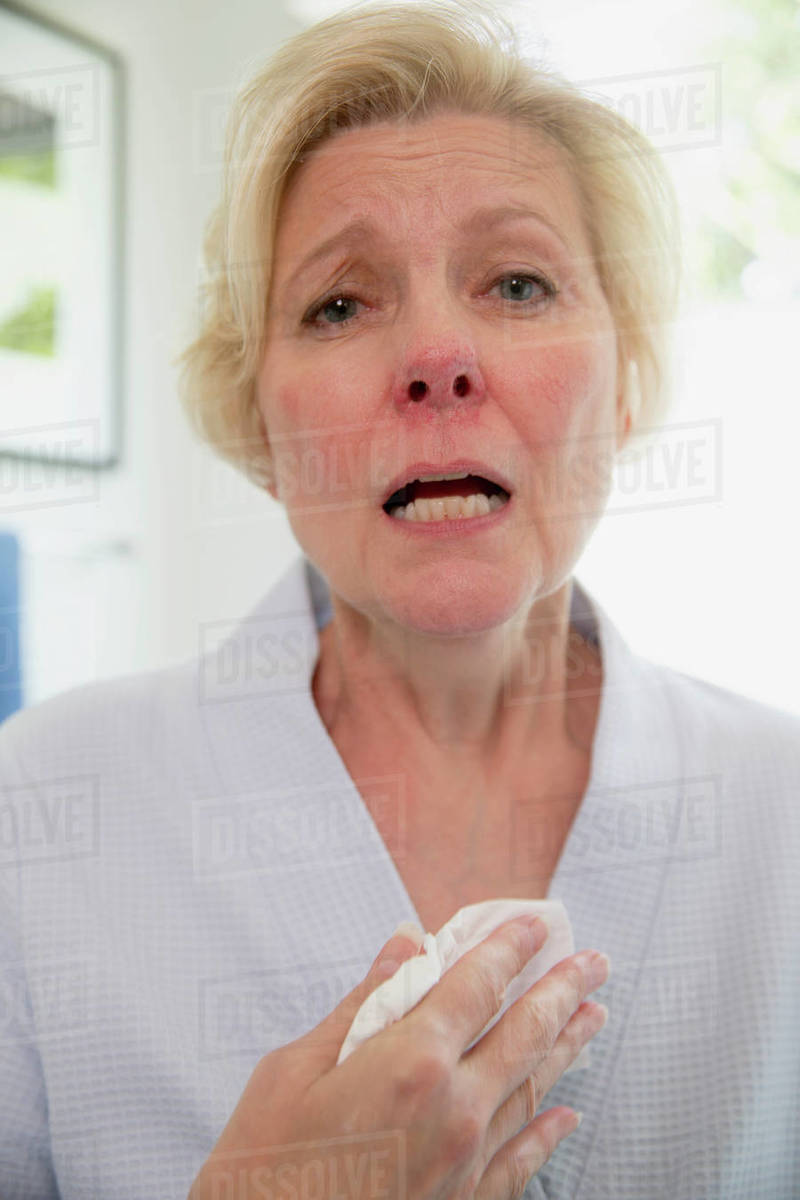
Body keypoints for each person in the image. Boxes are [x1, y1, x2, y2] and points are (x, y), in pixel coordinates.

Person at [1, 1, 798, 1197]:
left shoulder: (776, 811)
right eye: (339, 302)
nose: (437, 353)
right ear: (257, 422)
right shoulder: (41, 807)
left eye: (518, 284)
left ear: (624, 384)